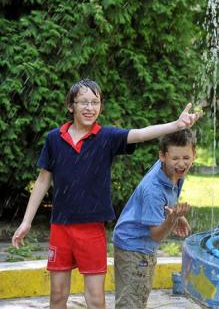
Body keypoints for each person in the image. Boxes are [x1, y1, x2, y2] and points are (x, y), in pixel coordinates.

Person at [11, 79, 200, 309]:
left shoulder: (106, 137)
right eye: (84, 102)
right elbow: (42, 180)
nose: (90, 108)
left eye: (95, 102)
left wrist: (176, 125)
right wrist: (26, 222)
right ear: (71, 106)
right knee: (58, 296)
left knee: (96, 299)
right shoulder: (54, 139)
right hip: (60, 227)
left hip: (91, 230)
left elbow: (140, 134)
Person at [112, 129, 195, 309]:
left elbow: (168, 198)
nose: (181, 164)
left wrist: (174, 212)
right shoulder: (153, 190)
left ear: (194, 154)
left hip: (137, 244)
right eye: (175, 158)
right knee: (131, 302)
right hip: (134, 247)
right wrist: (172, 218)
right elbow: (156, 235)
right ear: (162, 156)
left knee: (138, 296)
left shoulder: (174, 173)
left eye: (186, 158)